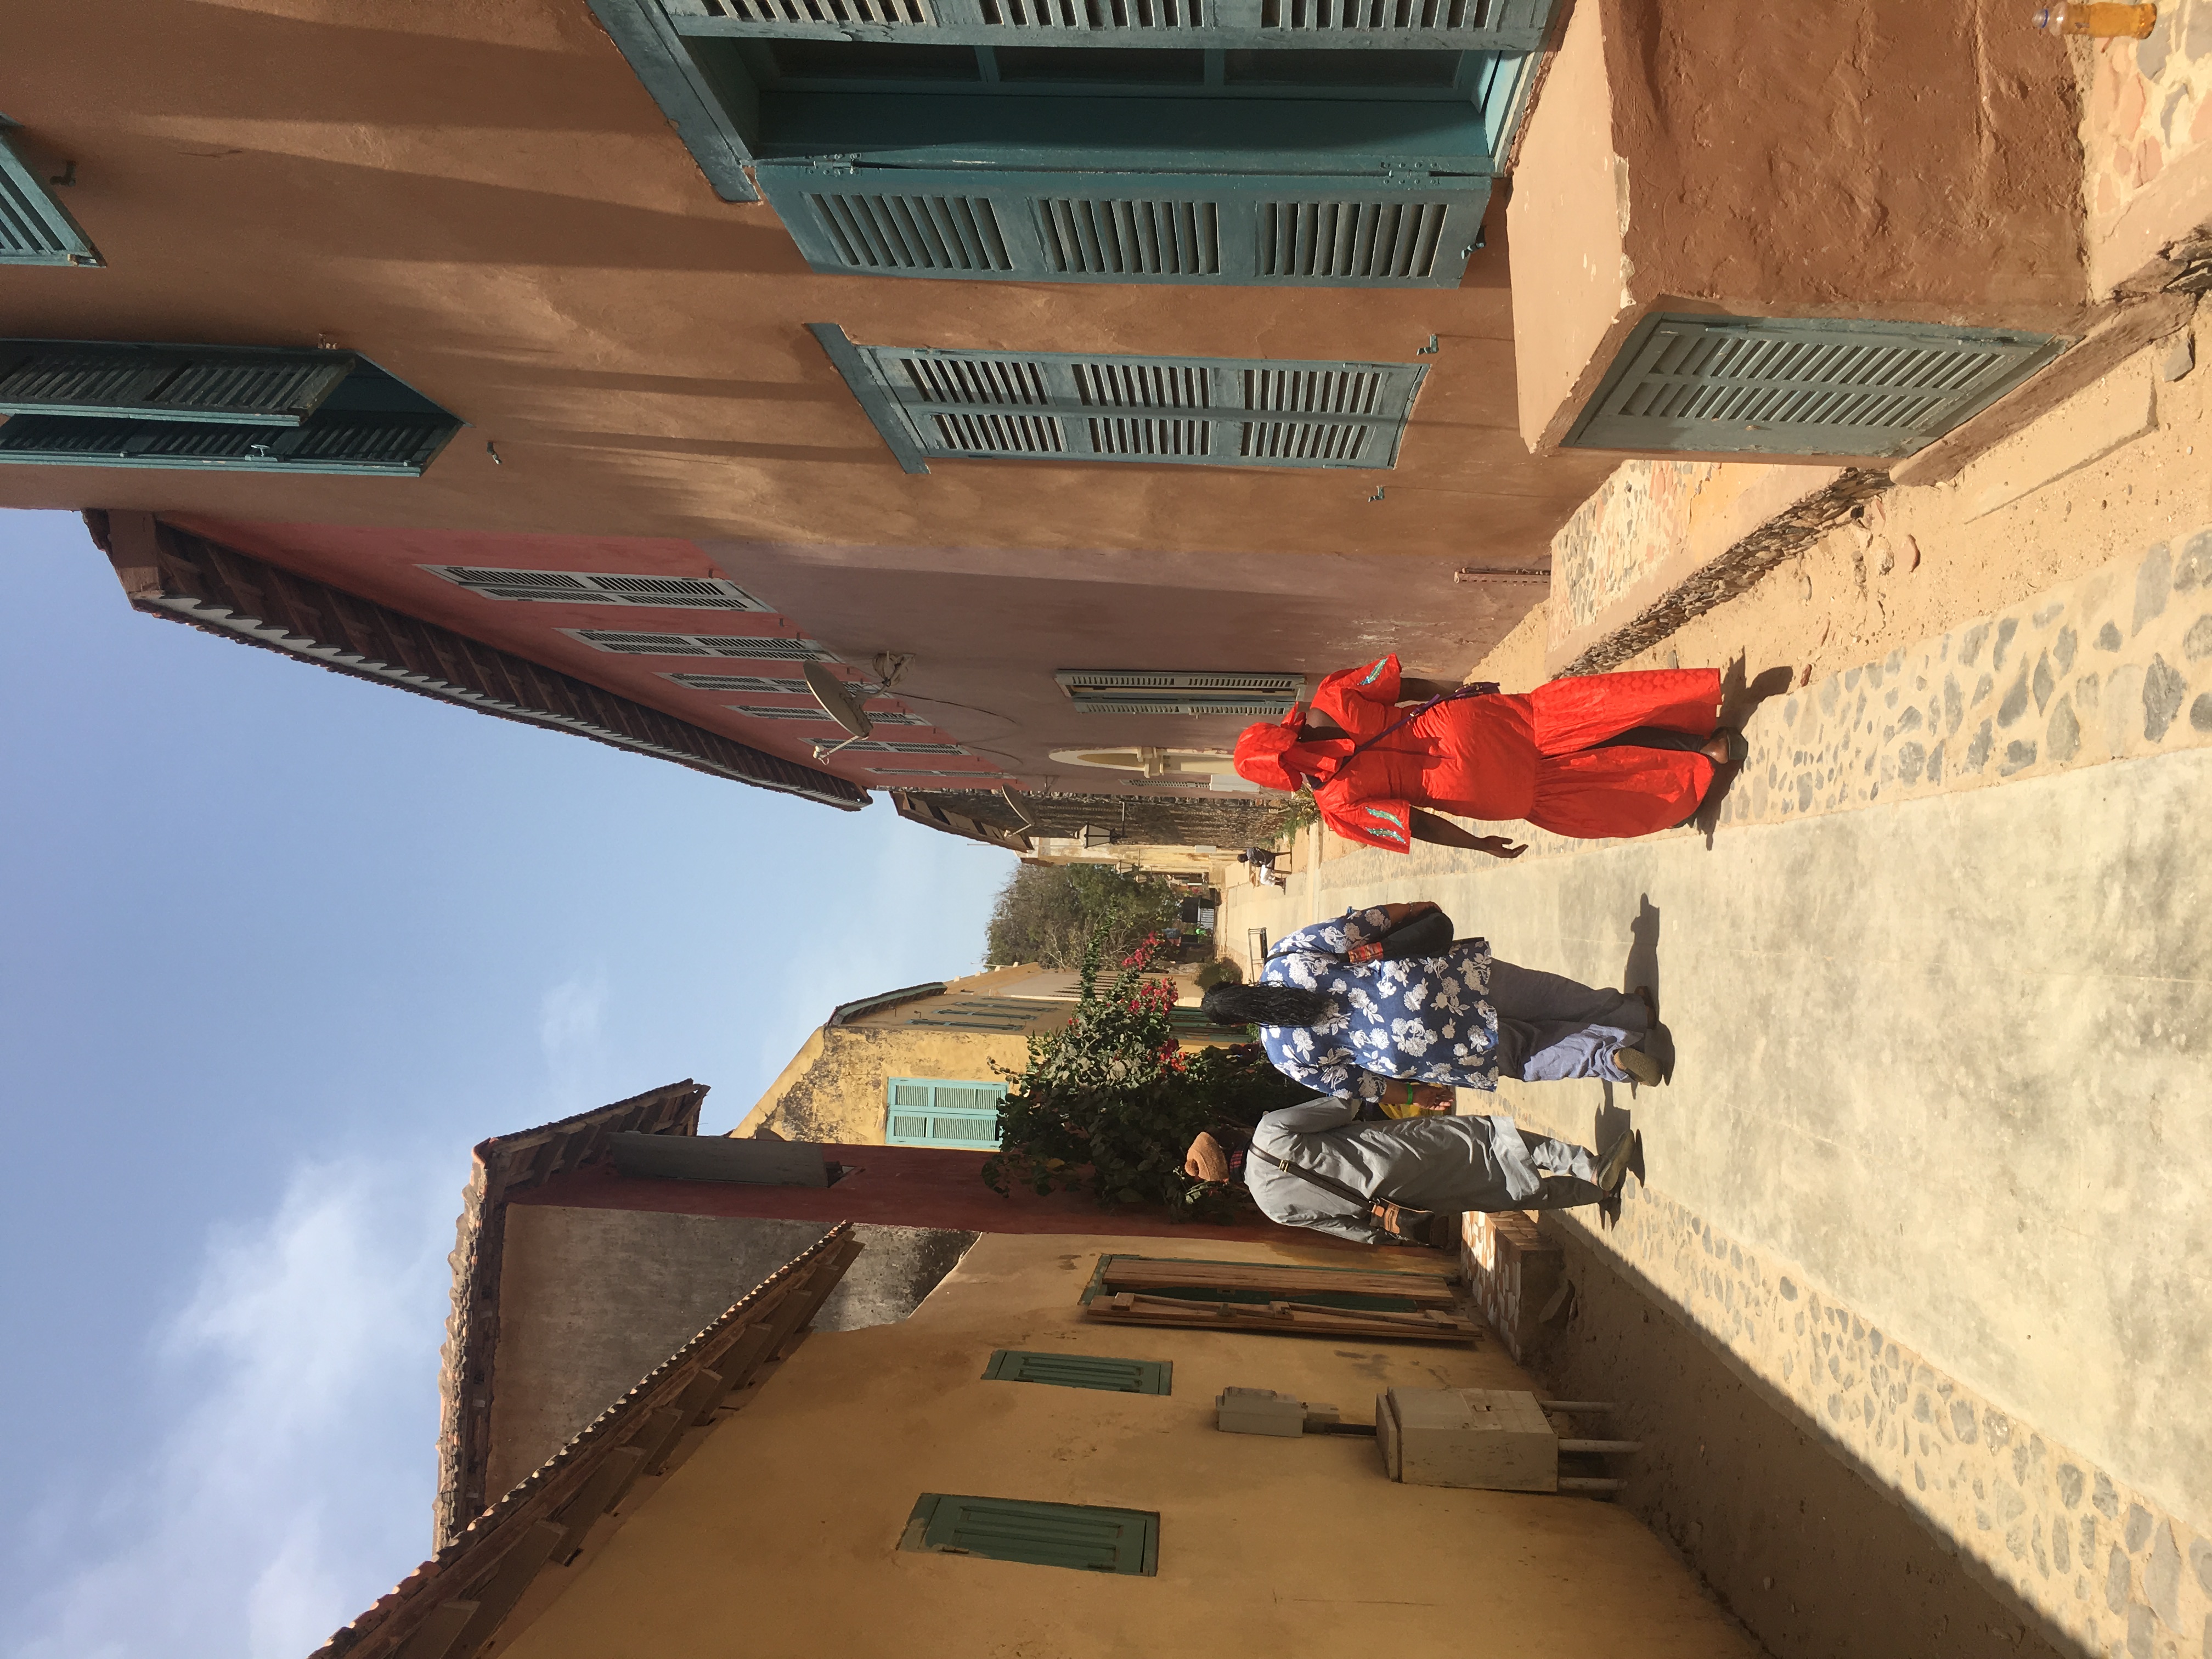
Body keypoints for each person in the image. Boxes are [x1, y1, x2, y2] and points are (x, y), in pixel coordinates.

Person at [1230, 653, 1743, 856]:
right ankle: (1701, 736)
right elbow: (1400, 682)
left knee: (1593, 781)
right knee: (1591, 717)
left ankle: (1692, 775)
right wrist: (1459, 688)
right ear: (1279, 729)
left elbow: (1418, 825)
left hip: (1475, 789)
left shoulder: (1337, 809)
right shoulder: (1329, 697)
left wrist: (1480, 846)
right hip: (1473, 725)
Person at [1199, 902, 1661, 1109]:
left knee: (1522, 1054)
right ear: (1238, 983)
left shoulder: (1284, 1056)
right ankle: (1630, 1014)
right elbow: (1356, 927)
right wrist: (1412, 910)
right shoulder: (1285, 957)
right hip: (1428, 982)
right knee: (1543, 995)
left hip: (1417, 1047)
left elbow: (1360, 1087)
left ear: (1242, 1021)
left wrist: (1418, 1095)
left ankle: (1610, 1058)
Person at [1242, 1093, 1639, 1246]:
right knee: (1489, 1142)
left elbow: (1350, 1232)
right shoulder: (1270, 1131)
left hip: (1399, 1203)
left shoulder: (1270, 1208)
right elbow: (1343, 1107)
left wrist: (1389, 1234)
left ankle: (1597, 1194)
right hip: (1398, 1150)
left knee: (1494, 1193)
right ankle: (1587, 1168)